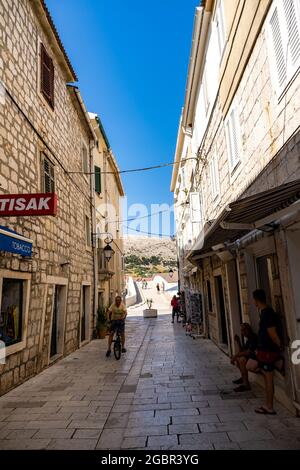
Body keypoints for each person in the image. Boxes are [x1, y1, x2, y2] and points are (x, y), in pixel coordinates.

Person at [247, 289, 284, 415]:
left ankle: (269, 406)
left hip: (268, 351)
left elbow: (272, 334)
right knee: (251, 366)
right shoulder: (264, 312)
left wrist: (280, 347)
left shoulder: (267, 313)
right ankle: (276, 364)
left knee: (269, 379)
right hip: (263, 350)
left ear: (256, 300)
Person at [230, 323, 258, 392]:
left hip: (257, 359)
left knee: (242, 359)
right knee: (239, 359)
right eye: (242, 330)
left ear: (249, 330)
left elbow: (247, 352)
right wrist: (238, 342)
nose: (243, 332)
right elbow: (242, 351)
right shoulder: (248, 340)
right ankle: (243, 378)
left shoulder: (253, 338)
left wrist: (235, 356)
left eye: (245, 330)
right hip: (251, 358)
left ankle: (246, 384)